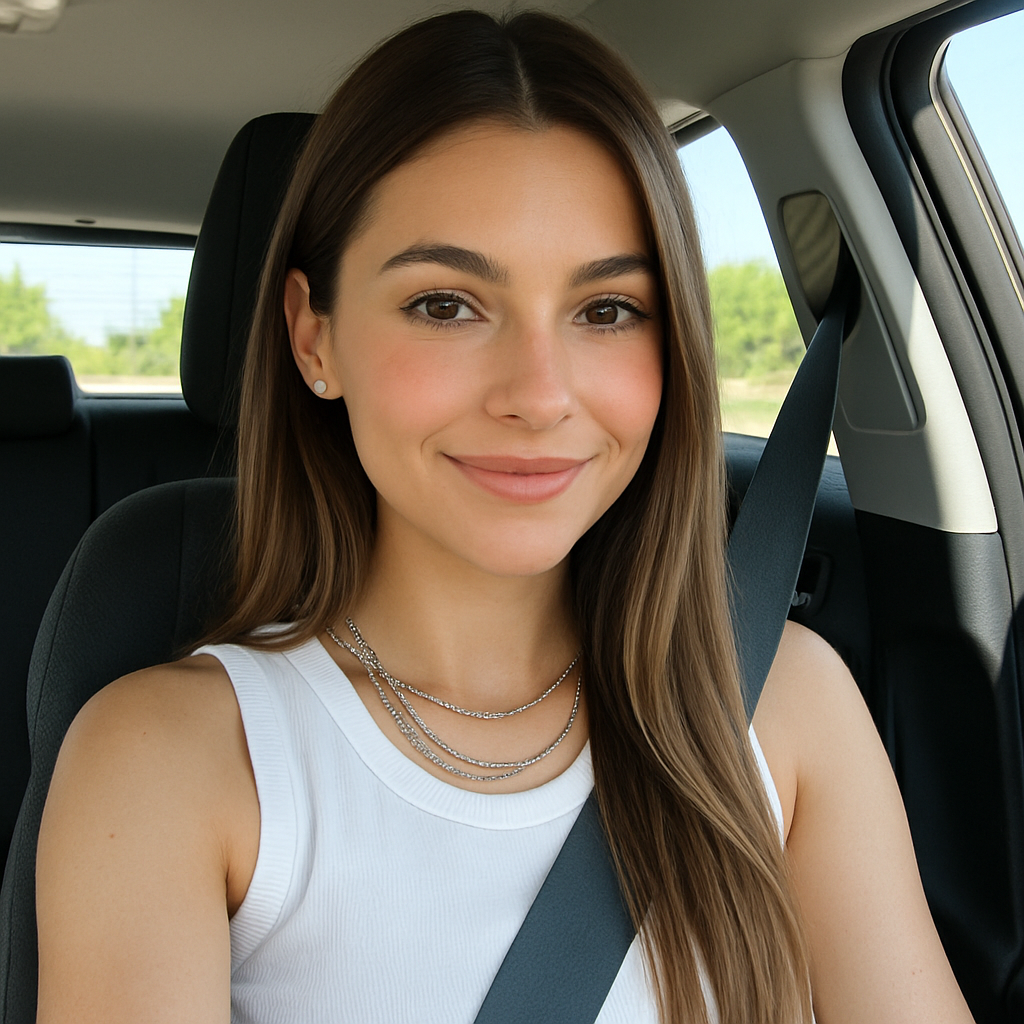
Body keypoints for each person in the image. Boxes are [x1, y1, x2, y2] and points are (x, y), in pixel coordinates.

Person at [34, 9, 975, 1024]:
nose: (537, 393)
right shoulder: (169, 762)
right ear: (315, 337)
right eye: (445, 304)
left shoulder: (783, 702)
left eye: (606, 310)